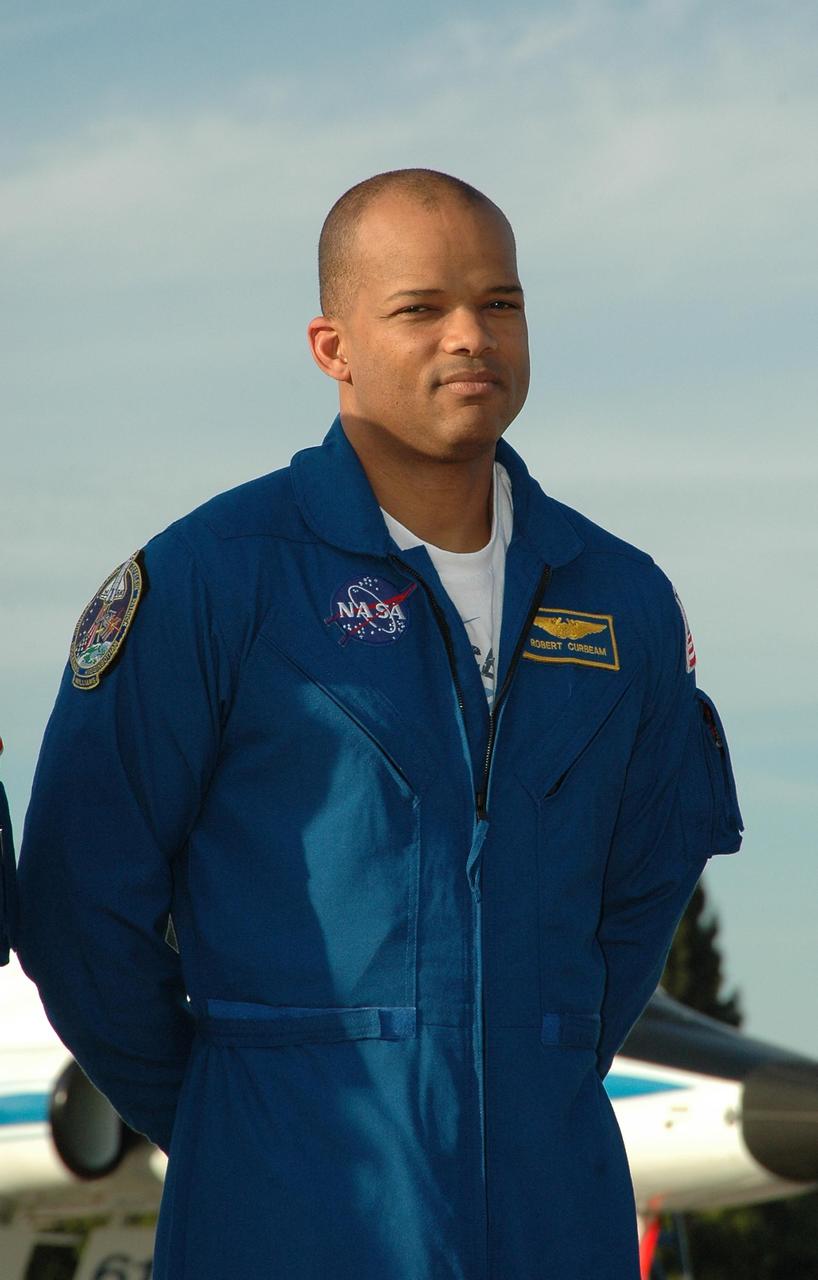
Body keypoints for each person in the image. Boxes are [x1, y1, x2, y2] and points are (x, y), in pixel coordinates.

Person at [14, 169, 743, 1279]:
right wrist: (250, 1104)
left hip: (556, 1223)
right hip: (282, 1222)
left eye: (499, 304)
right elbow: (76, 913)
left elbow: (638, 900)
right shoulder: (211, 583)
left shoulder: (622, 600)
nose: (470, 337)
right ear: (332, 344)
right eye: (421, 309)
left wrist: (516, 1077)